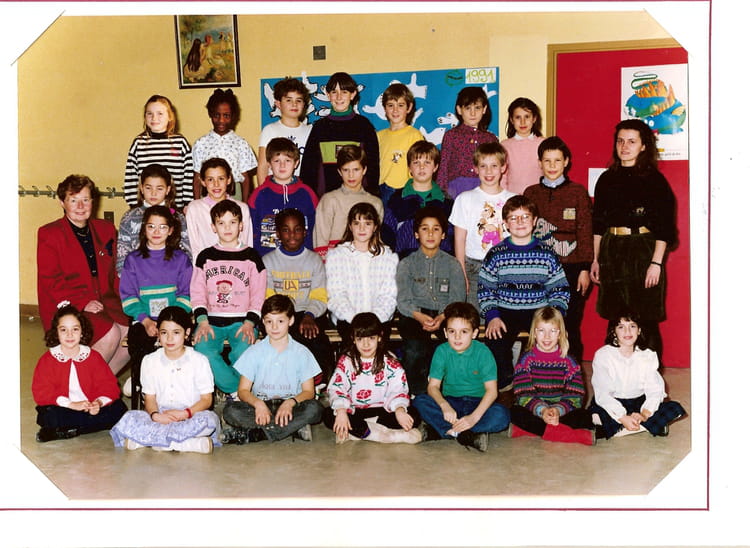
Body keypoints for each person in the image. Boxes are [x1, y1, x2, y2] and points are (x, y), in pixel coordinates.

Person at [590, 118, 677, 361]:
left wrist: (656, 263)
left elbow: (664, 229)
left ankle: (649, 380)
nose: (624, 146)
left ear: (643, 146)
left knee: (645, 319)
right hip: (612, 250)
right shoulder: (606, 179)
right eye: (620, 141)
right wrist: (596, 259)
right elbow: (598, 224)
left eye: (631, 141)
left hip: (643, 250)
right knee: (615, 319)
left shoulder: (655, 181)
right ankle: (616, 379)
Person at [37, 175, 131, 374]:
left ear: (92, 201)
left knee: (131, 332)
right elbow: (51, 281)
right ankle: (79, 384)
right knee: (110, 334)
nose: (80, 206)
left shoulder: (105, 229)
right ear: (62, 202)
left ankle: (101, 385)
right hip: (69, 304)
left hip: (105, 300)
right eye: (73, 200)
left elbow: (115, 272)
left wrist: (129, 301)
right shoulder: (49, 234)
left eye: (85, 200)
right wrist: (81, 303)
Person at [478, 195, 570, 389]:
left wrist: (555, 316)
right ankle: (505, 385)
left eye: (525, 217)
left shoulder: (546, 253)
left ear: (534, 221)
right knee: (495, 340)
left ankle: (540, 383)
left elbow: (559, 288)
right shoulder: (496, 253)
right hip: (505, 311)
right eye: (513, 218)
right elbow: (485, 288)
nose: (520, 222)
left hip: (538, 311)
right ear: (505, 223)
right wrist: (492, 315)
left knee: (548, 339)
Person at [109, 306, 220, 454]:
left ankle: (152, 443)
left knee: (209, 420)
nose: (169, 338)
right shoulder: (149, 360)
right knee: (130, 418)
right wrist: (156, 416)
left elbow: (206, 400)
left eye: (176, 332)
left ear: (187, 333)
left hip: (190, 415)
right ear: (158, 333)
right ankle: (186, 444)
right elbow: (149, 398)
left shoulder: (199, 360)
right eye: (164, 333)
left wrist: (185, 414)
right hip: (160, 417)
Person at [523, 136, 593, 362]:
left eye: (557, 160)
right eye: (547, 161)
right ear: (540, 163)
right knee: (539, 323)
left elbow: (585, 231)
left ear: (566, 162)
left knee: (569, 323)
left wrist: (584, 269)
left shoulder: (578, 192)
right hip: (538, 269)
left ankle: (571, 371)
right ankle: (538, 369)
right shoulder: (531, 193)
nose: (552, 166)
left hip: (571, 269)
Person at [220, 295, 324, 444]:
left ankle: (255, 434)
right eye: (269, 321)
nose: (274, 327)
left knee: (315, 409)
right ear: (263, 322)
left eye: (280, 321)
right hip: (261, 406)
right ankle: (292, 428)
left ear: (291, 321)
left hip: (291, 406)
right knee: (230, 411)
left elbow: (309, 392)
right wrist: (258, 404)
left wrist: (290, 403)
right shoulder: (254, 351)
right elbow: (243, 391)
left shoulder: (302, 352)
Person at [190, 200, 266, 396]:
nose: (227, 228)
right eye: (221, 223)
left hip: (242, 321)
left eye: (232, 222)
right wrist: (202, 321)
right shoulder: (205, 256)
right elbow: (197, 291)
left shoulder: (252, 256)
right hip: (211, 321)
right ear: (213, 227)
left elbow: (258, 293)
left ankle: (238, 393)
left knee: (244, 352)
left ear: (241, 225)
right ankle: (237, 391)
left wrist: (250, 322)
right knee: (203, 351)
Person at [119, 205, 193, 406]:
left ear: (170, 230)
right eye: (151, 226)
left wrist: (166, 326)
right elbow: (128, 296)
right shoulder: (133, 260)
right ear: (144, 229)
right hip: (144, 321)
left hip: (174, 322)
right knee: (139, 344)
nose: (156, 232)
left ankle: (177, 393)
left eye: (162, 227)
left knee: (182, 349)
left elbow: (186, 295)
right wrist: (145, 321)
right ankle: (144, 386)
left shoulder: (181, 259)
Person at [412, 302, 510, 452]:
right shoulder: (442, 351)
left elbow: (492, 392)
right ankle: (467, 434)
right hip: (451, 403)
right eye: (452, 331)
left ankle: (443, 431)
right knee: (419, 401)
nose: (457, 337)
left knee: (502, 415)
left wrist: (474, 418)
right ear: (445, 333)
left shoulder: (483, 352)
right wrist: (444, 405)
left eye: (464, 332)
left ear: (474, 333)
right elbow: (433, 387)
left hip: (477, 403)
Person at [32, 304, 127, 442]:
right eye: (63, 330)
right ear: (56, 333)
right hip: (65, 408)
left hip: (89, 407)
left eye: (75, 329)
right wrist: (72, 405)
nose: (69, 335)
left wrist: (98, 403)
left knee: (119, 409)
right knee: (48, 415)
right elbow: (42, 392)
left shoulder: (93, 357)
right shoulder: (47, 360)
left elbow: (109, 385)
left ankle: (70, 430)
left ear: (82, 332)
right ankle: (81, 427)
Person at [396, 207, 466, 395]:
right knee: (414, 349)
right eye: (424, 228)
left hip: (446, 314)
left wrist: (443, 316)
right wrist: (419, 316)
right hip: (414, 315)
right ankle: (416, 393)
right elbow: (402, 299)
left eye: (436, 229)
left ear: (443, 235)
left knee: (455, 345)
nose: (430, 234)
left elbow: (457, 298)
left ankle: (452, 391)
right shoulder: (406, 264)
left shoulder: (452, 264)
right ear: (416, 234)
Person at [324, 312, 423, 444]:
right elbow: (337, 388)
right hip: (355, 410)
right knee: (328, 415)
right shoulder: (347, 360)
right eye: (360, 339)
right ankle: (383, 435)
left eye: (371, 338)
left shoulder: (390, 361)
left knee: (413, 414)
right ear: (353, 339)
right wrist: (341, 411)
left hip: (382, 409)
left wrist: (399, 410)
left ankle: (358, 432)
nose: (366, 344)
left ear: (379, 337)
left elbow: (398, 389)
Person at [588, 312, 686, 439]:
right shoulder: (603, 355)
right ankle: (645, 426)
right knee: (594, 415)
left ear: (639, 330)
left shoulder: (647, 355)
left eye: (632, 326)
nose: (627, 331)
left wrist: (644, 414)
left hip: (638, 402)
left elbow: (655, 390)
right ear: (614, 332)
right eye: (621, 327)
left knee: (674, 408)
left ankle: (618, 429)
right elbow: (603, 393)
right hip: (613, 400)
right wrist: (622, 417)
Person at [263, 208, 334, 381]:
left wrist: (310, 315)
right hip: (279, 314)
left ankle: (320, 381)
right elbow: (268, 298)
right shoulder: (268, 261)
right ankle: (286, 382)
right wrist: (282, 318)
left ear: (305, 232)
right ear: (278, 233)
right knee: (284, 337)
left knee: (316, 338)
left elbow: (319, 296)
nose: (292, 235)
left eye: (297, 229)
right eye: (286, 230)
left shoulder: (314, 260)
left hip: (308, 313)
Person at [507, 306, 595, 445]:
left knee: (585, 416)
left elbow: (575, 395)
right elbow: (523, 393)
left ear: (560, 334)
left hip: (561, 412)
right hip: (535, 411)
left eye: (553, 331)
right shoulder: (525, 360)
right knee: (515, 412)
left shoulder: (569, 362)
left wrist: (558, 410)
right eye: (541, 331)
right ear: (534, 333)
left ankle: (533, 431)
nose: (547, 337)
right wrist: (542, 410)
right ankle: (566, 435)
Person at [448, 141, 515, 311]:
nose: (489, 171)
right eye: (483, 166)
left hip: (505, 267)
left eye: (494, 166)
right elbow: (459, 239)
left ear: (503, 168)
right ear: (476, 169)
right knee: (474, 317)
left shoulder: (513, 200)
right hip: (474, 268)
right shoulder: (464, 199)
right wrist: (462, 273)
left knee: (501, 319)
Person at [325, 202, 398, 342]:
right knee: (354, 348)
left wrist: (374, 320)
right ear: (350, 226)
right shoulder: (336, 256)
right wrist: (354, 319)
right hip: (347, 320)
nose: (362, 228)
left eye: (367, 223)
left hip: (379, 320)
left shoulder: (388, 257)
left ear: (375, 227)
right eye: (356, 223)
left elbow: (389, 296)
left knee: (377, 347)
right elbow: (336, 295)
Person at [300, 71, 380, 197]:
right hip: (326, 200)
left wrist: (368, 197)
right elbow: (308, 170)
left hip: (358, 200)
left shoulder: (364, 126)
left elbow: (373, 169)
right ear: (328, 95)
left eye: (344, 92)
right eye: (334, 92)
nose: (339, 97)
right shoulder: (319, 128)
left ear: (353, 94)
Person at [383, 140, 454, 258]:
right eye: (416, 162)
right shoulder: (397, 200)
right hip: (405, 261)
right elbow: (387, 237)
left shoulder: (446, 203)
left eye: (427, 162)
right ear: (409, 168)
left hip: (439, 262)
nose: (422, 167)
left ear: (435, 167)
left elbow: (452, 239)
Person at [116, 163, 191, 275]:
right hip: (139, 279)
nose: (153, 193)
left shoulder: (178, 218)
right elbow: (122, 260)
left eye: (159, 188)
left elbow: (187, 255)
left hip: (171, 278)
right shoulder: (129, 218)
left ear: (168, 189)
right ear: (141, 188)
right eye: (148, 188)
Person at [248, 137, 318, 255]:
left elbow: (315, 229)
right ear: (269, 164)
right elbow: (250, 230)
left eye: (287, 160)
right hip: (267, 258)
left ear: (296, 163)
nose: (282, 165)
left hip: (301, 258)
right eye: (277, 161)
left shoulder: (307, 194)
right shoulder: (258, 195)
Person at [123, 94, 193, 208]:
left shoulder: (180, 143)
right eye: (149, 113)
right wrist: (133, 205)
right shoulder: (139, 143)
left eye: (160, 113)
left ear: (169, 116)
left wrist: (187, 204)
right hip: (146, 208)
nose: (154, 118)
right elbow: (131, 176)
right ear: (145, 117)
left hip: (174, 208)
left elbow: (188, 176)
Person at [312, 145, 384, 252]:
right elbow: (320, 240)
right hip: (335, 259)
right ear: (339, 171)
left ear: (364, 170)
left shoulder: (375, 203)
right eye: (346, 170)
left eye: (356, 169)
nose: (351, 175)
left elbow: (376, 240)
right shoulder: (329, 200)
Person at [192, 88, 257, 202]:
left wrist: (245, 204)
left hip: (234, 195)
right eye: (217, 115)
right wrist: (196, 204)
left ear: (233, 116)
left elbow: (245, 179)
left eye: (226, 115)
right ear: (210, 114)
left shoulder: (241, 144)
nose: (221, 120)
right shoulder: (201, 144)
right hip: (208, 196)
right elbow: (197, 178)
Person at [184, 157, 252, 262]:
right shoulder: (194, 208)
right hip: (206, 266)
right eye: (210, 179)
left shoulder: (242, 208)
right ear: (203, 181)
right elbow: (194, 248)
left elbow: (247, 244)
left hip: (236, 266)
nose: (216, 184)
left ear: (229, 179)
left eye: (221, 178)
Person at [436, 86, 499, 199]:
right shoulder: (451, 136)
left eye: (477, 108)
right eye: (468, 108)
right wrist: (441, 193)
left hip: (483, 188)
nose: (473, 113)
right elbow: (444, 166)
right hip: (455, 190)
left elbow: (496, 168)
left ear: (484, 109)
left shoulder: (490, 139)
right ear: (459, 110)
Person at [377, 82, 424, 204]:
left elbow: (418, 166)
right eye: (390, 105)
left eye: (400, 105)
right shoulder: (379, 136)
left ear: (409, 107)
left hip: (404, 190)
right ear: (384, 108)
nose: (395, 110)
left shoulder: (414, 135)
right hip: (381, 189)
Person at [257, 77, 312, 183]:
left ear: (304, 105)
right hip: (275, 187)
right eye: (288, 100)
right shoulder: (270, 130)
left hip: (301, 187)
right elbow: (263, 166)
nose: (294, 104)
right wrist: (263, 190)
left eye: (298, 100)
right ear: (278, 104)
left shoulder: (310, 131)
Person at [500, 97, 545, 194]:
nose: (522, 122)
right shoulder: (504, 145)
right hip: (512, 198)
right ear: (511, 120)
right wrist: (505, 197)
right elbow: (502, 176)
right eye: (518, 117)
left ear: (534, 118)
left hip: (538, 197)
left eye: (527, 117)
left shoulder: (543, 144)